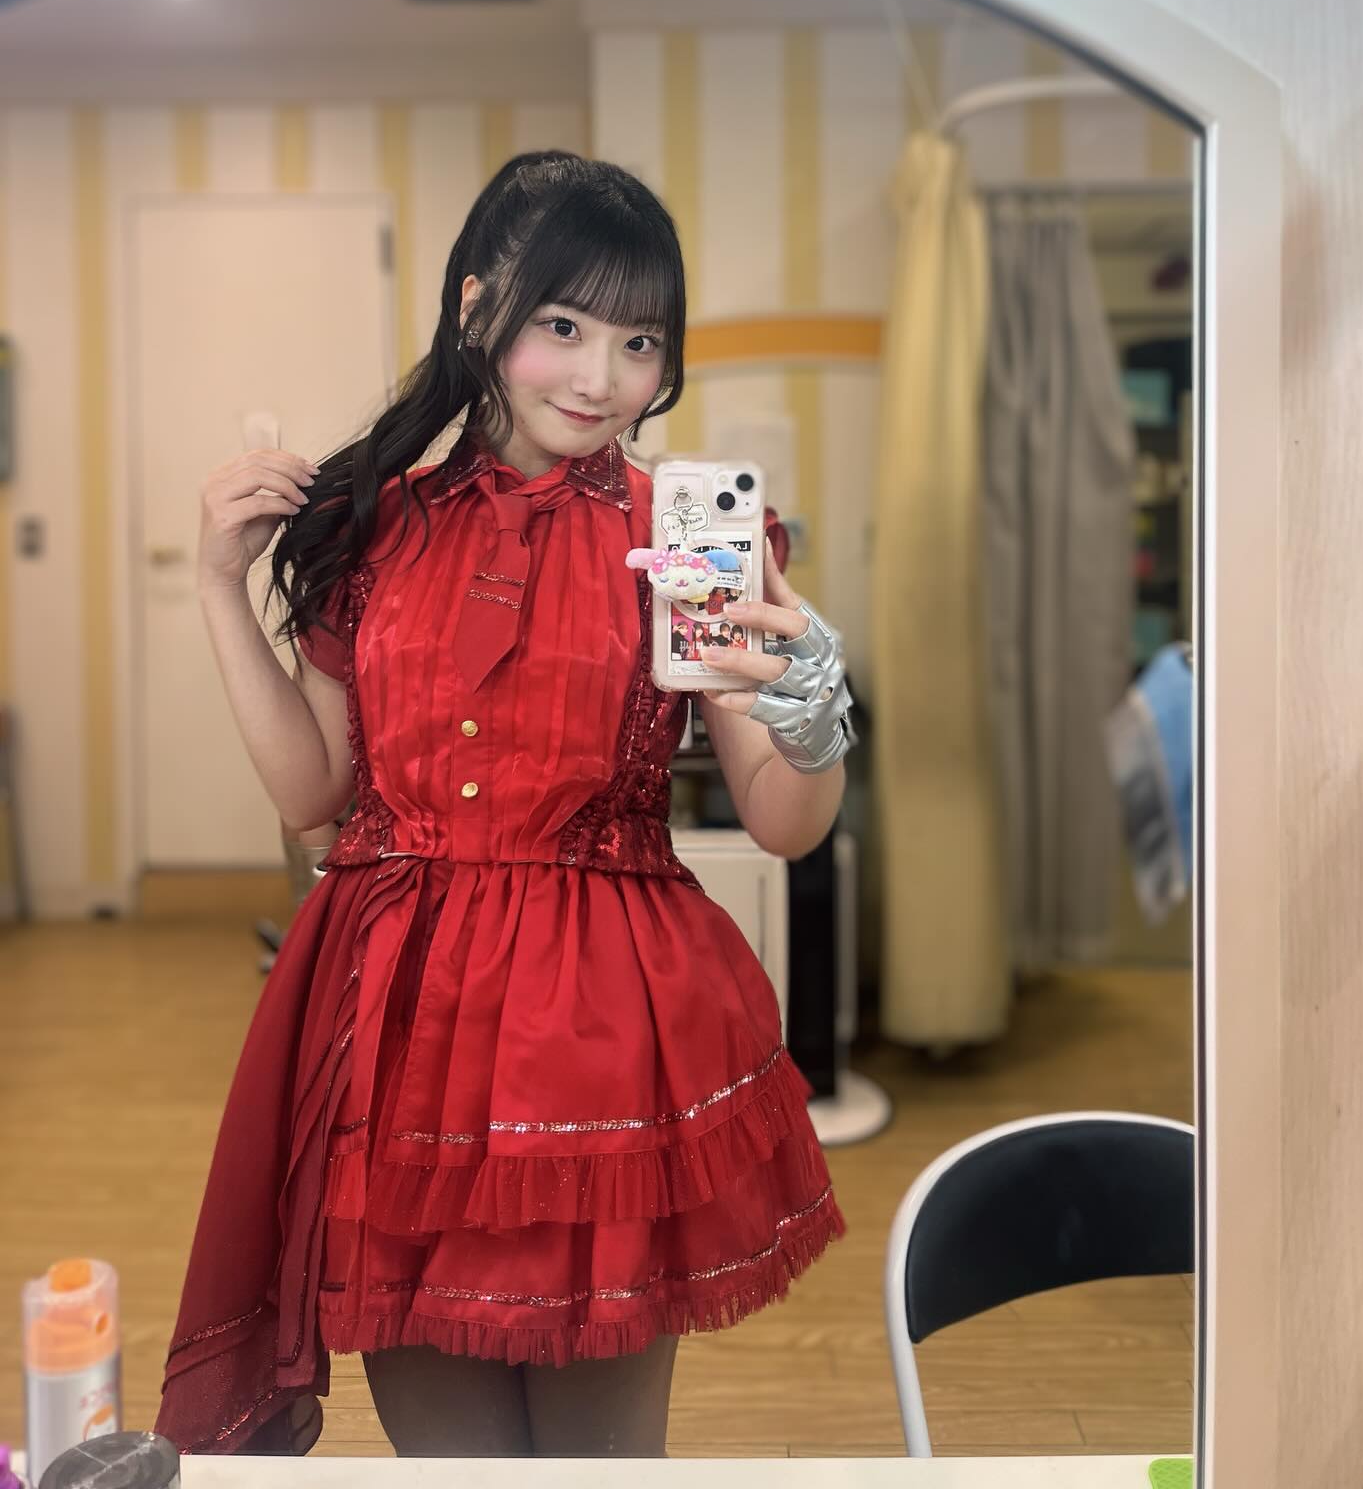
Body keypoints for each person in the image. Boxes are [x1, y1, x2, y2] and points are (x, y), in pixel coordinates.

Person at [154, 153, 855, 1462]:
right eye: (564, 326)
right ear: (479, 307)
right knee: (451, 1465)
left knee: (600, 1465)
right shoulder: (375, 527)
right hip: (395, 1032)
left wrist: (817, 701)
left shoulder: (688, 537)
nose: (601, 378)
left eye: (640, 342)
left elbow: (782, 820)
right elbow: (315, 797)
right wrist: (216, 589)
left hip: (605, 1035)